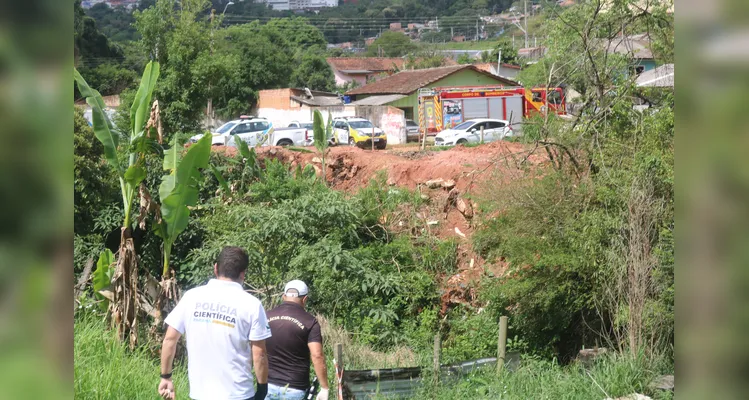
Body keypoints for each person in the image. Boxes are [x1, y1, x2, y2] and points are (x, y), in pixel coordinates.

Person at [158, 246, 272, 400]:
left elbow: (170, 339)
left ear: (216, 268)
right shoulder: (252, 304)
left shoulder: (192, 297)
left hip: (200, 394)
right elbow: (259, 354)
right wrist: (262, 389)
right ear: (243, 274)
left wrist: (166, 377)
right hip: (238, 394)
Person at [265, 280, 330, 400]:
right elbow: (317, 355)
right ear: (305, 299)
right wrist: (324, 387)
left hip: (267, 386)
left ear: (284, 296)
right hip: (295, 388)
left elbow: (255, 349)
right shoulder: (310, 322)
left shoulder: (266, 316)